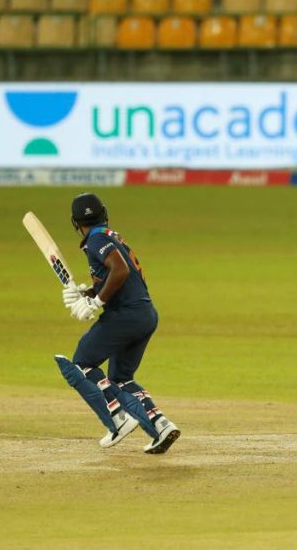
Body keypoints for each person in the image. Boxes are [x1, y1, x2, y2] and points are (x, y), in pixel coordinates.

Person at [55, 193, 180, 454]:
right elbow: (118, 276)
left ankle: (118, 417)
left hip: (125, 315)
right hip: (145, 314)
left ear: (75, 222)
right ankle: (160, 424)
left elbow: (120, 270)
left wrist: (96, 302)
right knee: (121, 379)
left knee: (82, 363)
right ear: (104, 213)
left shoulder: (97, 239)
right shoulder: (111, 236)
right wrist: (87, 293)